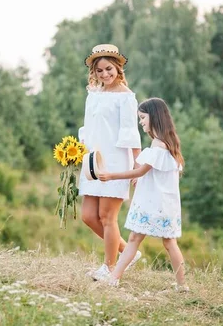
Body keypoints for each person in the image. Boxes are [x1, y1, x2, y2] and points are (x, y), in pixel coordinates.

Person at [98, 97, 188, 291]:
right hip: (167, 204)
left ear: (154, 117)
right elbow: (153, 173)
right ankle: (182, 285)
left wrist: (111, 175)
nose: (141, 122)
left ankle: (113, 278)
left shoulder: (158, 145)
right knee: (169, 242)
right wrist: (142, 178)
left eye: (142, 117)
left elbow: (140, 171)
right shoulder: (169, 145)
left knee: (134, 239)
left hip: (152, 203)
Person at [78, 44, 142, 280]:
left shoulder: (125, 97)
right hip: (93, 161)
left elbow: (130, 132)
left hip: (115, 161)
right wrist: (77, 153)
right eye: (99, 70)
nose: (105, 74)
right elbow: (88, 126)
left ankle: (109, 267)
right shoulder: (94, 93)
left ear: (118, 68)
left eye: (109, 69)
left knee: (107, 217)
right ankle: (128, 252)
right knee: (88, 216)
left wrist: (137, 165)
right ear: (93, 72)